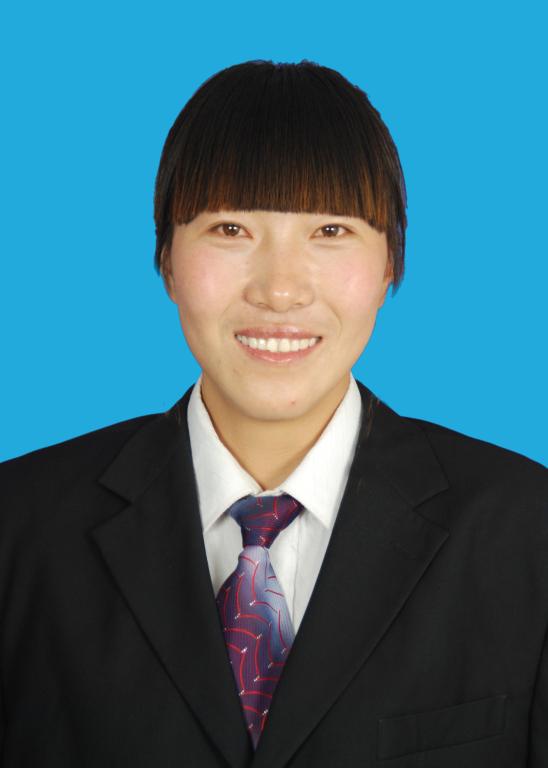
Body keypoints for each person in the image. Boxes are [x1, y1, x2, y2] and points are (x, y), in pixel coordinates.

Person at [0, 59, 546, 768]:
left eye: (330, 231)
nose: (280, 290)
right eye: (231, 229)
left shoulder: (527, 532)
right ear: (166, 259)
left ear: (390, 264)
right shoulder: (20, 525)